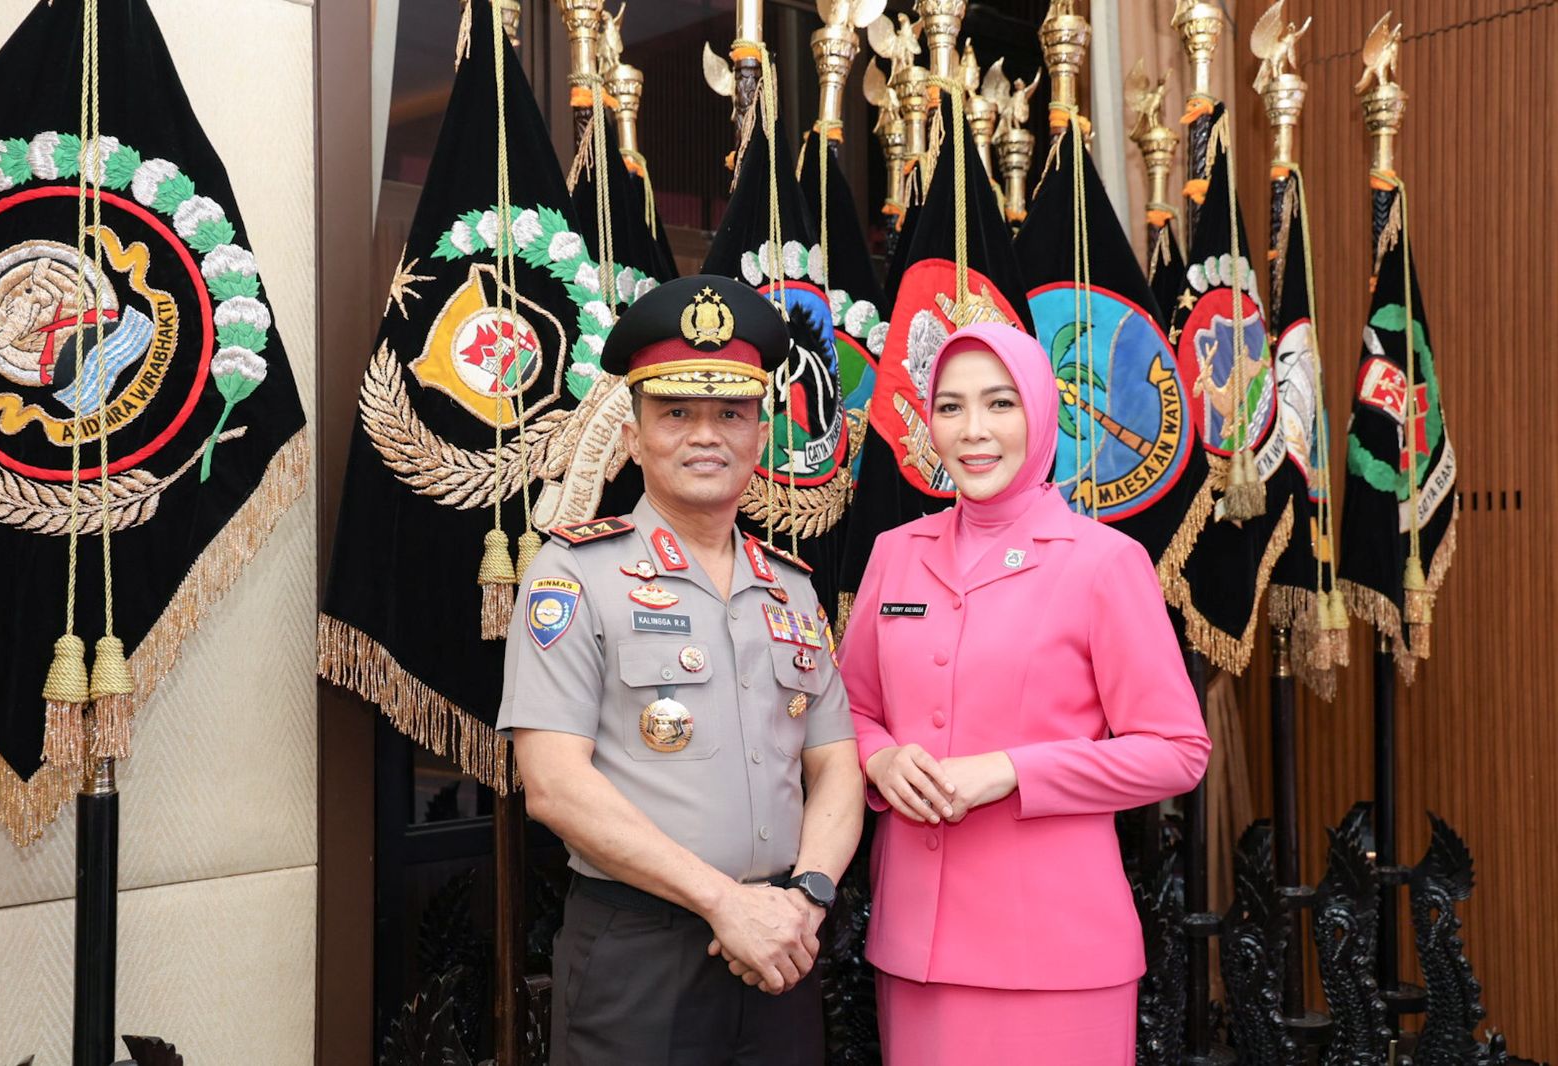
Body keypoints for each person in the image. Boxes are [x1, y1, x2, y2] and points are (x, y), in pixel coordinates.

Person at [499, 275, 864, 1066]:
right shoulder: (574, 574)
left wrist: (807, 898)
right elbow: (553, 785)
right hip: (640, 952)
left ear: (760, 436)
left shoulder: (792, 589)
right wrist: (724, 904)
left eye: (730, 414)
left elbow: (837, 765)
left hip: (783, 943)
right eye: (676, 414)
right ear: (634, 438)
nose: (706, 436)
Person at [838, 322, 1211, 1065]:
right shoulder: (894, 554)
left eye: (1000, 403)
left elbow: (1178, 751)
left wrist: (1012, 770)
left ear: (1041, 412)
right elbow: (850, 710)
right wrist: (880, 761)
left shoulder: (1105, 562)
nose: (973, 430)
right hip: (916, 947)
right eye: (950, 407)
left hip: (1058, 952)